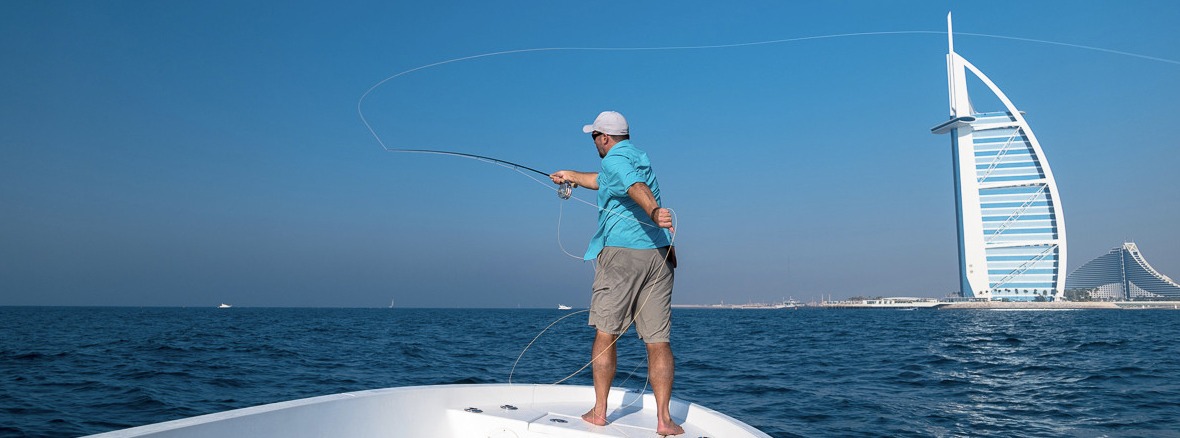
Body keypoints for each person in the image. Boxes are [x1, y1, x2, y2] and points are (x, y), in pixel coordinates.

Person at [549, 110, 682, 436]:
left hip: (624, 257)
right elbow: (606, 180)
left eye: (594, 136)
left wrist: (653, 211)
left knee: (606, 335)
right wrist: (571, 175)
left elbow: (633, 186)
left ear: (604, 137)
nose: (593, 141)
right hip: (660, 257)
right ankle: (664, 420)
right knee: (658, 341)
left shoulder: (615, 163)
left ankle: (600, 412)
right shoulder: (637, 156)